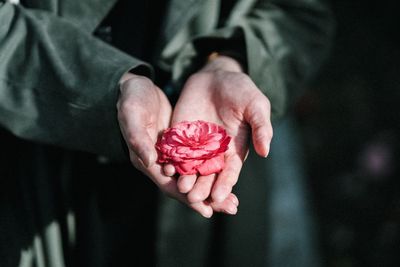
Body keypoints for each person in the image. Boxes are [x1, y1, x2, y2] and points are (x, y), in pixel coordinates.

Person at [0, 0, 334, 266]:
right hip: (39, 173)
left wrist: (233, 60)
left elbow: (301, 13)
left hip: (207, 205)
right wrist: (108, 87)